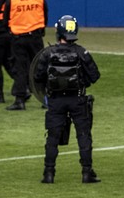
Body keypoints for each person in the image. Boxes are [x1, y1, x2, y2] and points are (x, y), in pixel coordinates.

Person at [32, 15, 101, 184]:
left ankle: (49, 173)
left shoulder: (48, 53)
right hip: (77, 100)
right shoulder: (81, 52)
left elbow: (37, 76)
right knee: (83, 135)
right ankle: (86, 172)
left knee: (53, 137)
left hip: (55, 101)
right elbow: (94, 76)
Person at [3, 0, 47, 111]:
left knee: (20, 69)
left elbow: (6, 18)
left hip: (18, 38)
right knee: (40, 68)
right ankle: (46, 98)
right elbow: (45, 14)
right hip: (35, 37)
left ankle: (20, 100)